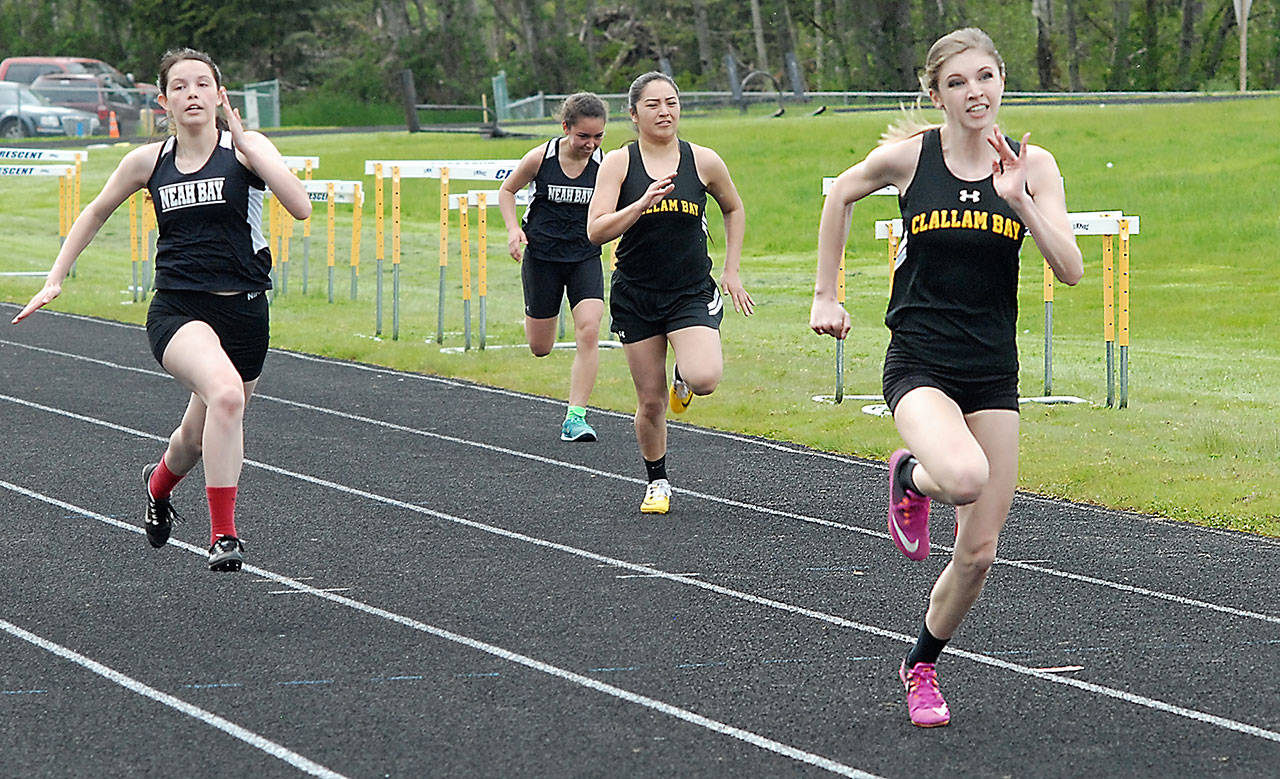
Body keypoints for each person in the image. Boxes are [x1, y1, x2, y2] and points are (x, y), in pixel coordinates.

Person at [809, 28, 1082, 727]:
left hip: (991, 371)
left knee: (979, 552)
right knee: (963, 476)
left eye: (985, 77)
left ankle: (921, 661)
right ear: (936, 95)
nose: (975, 93)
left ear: (1001, 82)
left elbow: (1070, 268)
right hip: (921, 361)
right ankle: (914, 475)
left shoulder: (1033, 164)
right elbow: (839, 193)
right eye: (958, 82)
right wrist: (825, 294)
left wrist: (1019, 200)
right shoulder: (911, 158)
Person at [11, 48, 311, 572]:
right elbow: (95, 210)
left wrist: (249, 148)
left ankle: (157, 484)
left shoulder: (247, 151)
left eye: (202, 84)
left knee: (195, 438)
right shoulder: (148, 162)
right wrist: (55, 278)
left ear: (220, 95)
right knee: (223, 396)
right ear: (163, 101)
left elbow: (300, 206)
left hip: (244, 312)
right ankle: (224, 536)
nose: (192, 93)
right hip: (178, 311)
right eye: (179, 86)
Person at [587, 72, 753, 514]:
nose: (665, 112)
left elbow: (733, 208)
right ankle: (657, 481)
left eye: (672, 103)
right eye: (654, 104)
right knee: (651, 400)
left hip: (689, 291)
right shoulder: (619, 164)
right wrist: (640, 203)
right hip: (636, 294)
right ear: (634, 112)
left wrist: (732, 271)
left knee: (704, 379)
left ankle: (685, 373)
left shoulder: (702, 160)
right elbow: (596, 231)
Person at [498, 93, 608, 443]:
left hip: (585, 256)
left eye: (597, 137)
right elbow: (507, 190)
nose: (590, 144)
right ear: (566, 128)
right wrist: (514, 230)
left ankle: (576, 417)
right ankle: (538, 316)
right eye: (583, 136)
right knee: (540, 346)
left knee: (589, 331)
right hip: (542, 258)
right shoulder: (540, 157)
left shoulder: (606, 164)